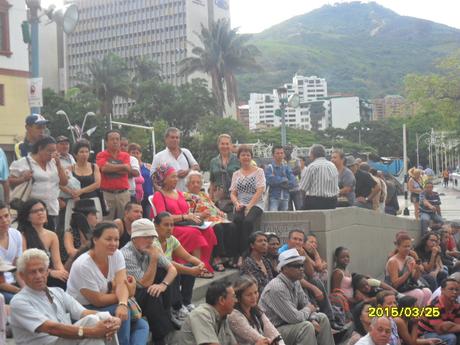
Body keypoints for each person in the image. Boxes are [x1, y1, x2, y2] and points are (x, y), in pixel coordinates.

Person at [10, 248, 121, 345]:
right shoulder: (19, 301)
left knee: (104, 319)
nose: (38, 276)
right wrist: (93, 331)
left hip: (64, 341)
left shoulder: (58, 292)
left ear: (47, 272)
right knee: (92, 322)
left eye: (41, 270)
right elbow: (52, 329)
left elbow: (83, 312)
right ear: (22, 275)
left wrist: (113, 319)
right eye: (32, 272)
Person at [66, 222, 149, 345]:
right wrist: (128, 294)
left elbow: (121, 283)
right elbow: (98, 300)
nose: (114, 244)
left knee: (142, 325)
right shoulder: (83, 265)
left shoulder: (116, 254)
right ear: (95, 240)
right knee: (121, 315)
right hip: (82, 309)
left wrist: (123, 303)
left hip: (105, 305)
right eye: (108, 239)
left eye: (116, 239)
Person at [259, 248, 335, 345]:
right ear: (284, 268)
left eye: (301, 265)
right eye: (296, 266)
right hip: (274, 331)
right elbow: (295, 317)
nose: (301, 269)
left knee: (322, 318)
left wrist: (312, 318)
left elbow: (305, 303)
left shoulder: (295, 281)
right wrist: (308, 310)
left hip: (290, 324)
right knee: (306, 327)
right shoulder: (277, 288)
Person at [152, 164, 217, 275]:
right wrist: (184, 217)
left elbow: (186, 213)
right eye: (172, 177)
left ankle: (203, 264)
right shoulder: (159, 195)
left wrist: (199, 215)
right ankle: (198, 269)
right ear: (164, 179)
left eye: (176, 176)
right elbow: (161, 218)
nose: (176, 179)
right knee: (194, 233)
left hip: (185, 224)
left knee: (209, 230)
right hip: (171, 227)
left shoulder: (178, 193)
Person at [120, 218, 177, 345]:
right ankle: (160, 337)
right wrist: (154, 259)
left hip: (144, 288)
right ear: (135, 237)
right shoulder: (126, 254)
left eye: (152, 237)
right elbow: (143, 284)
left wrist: (163, 285)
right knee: (151, 293)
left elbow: (172, 269)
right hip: (129, 294)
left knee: (165, 276)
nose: (150, 241)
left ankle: (167, 317)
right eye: (146, 237)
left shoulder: (151, 247)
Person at [153, 212, 207, 326]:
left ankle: (185, 303)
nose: (170, 228)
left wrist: (200, 264)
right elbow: (166, 263)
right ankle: (176, 307)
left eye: (172, 225)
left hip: (170, 272)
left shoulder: (171, 239)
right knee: (174, 270)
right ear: (156, 226)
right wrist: (191, 271)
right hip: (156, 276)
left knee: (189, 265)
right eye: (166, 225)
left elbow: (188, 256)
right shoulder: (153, 241)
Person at [9, 136, 69, 230]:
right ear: (40, 149)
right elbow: (9, 181)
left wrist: (58, 164)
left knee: (49, 238)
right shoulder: (24, 162)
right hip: (31, 211)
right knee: (31, 239)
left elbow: (64, 182)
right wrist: (23, 178)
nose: (52, 154)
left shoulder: (53, 163)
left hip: (51, 209)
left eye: (54, 151)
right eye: (49, 151)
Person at [184, 171, 237, 271]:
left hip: (214, 218)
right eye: (193, 182)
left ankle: (228, 257)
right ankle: (216, 259)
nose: (196, 184)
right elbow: (187, 212)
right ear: (187, 184)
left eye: (198, 182)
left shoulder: (203, 194)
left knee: (232, 226)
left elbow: (212, 205)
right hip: (200, 220)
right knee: (218, 228)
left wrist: (219, 211)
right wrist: (201, 215)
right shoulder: (185, 196)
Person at [18, 199, 68, 289]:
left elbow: (57, 262)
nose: (40, 213)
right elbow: (25, 264)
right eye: (35, 211)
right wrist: (51, 272)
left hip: (48, 274)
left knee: (65, 280)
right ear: (27, 217)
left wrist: (62, 272)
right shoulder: (22, 236)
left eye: (42, 209)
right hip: (33, 274)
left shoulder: (52, 235)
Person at [230, 145, 265, 267]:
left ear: (251, 157)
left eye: (248, 155)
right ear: (239, 157)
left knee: (248, 222)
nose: (245, 157)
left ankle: (244, 256)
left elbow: (260, 190)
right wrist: (237, 203)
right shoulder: (236, 174)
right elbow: (233, 193)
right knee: (237, 222)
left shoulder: (259, 171)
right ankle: (236, 254)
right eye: (243, 155)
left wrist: (249, 206)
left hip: (256, 203)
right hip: (241, 203)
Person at [229, 275, 285, 345]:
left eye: (256, 292)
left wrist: (279, 341)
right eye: (249, 295)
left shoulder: (255, 308)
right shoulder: (234, 315)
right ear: (239, 297)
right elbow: (258, 338)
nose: (254, 297)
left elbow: (273, 332)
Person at [178, 280, 238, 345]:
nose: (236, 301)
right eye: (233, 297)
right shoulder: (200, 314)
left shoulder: (222, 316)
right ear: (221, 300)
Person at [385, 232, 431, 306]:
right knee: (418, 293)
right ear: (398, 246)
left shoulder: (410, 259)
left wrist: (418, 270)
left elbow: (414, 280)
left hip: (407, 287)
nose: (407, 249)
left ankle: (423, 315)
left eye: (409, 246)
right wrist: (408, 272)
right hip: (396, 291)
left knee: (427, 291)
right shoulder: (393, 261)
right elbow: (395, 285)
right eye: (405, 246)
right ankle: (414, 316)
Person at [96, 130, 131, 220]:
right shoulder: (101, 155)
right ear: (106, 142)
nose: (115, 141)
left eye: (117, 139)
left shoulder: (125, 155)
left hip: (123, 194)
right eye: (112, 139)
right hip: (107, 194)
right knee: (107, 221)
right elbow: (104, 169)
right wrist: (123, 166)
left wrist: (111, 168)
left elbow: (127, 170)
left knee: (125, 221)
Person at [151, 127, 199, 192]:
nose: (175, 140)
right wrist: (162, 194)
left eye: (177, 137)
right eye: (172, 137)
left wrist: (187, 171)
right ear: (166, 139)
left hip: (187, 195)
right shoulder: (158, 157)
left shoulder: (186, 152)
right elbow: (153, 179)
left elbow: (196, 167)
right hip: (169, 196)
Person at [67, 140, 103, 227]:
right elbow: (62, 184)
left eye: (87, 152)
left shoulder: (94, 166)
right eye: (81, 152)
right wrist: (71, 192)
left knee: (94, 227)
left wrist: (81, 191)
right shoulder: (70, 168)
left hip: (92, 200)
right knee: (73, 227)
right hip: (75, 201)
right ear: (75, 154)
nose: (84, 154)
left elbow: (97, 184)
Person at [418, 278, 460, 345]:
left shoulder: (457, 305)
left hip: (443, 331)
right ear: (442, 290)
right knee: (451, 337)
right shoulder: (432, 306)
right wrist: (451, 326)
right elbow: (439, 330)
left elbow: (457, 325)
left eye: (457, 290)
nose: (454, 292)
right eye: (451, 289)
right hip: (425, 333)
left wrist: (450, 325)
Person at [299, 144, 339, 210]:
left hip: (316, 202)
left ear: (312, 154)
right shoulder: (333, 166)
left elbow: (303, 189)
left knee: (300, 212)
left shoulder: (312, 166)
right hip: (333, 202)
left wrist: (303, 203)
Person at [62, 199, 99, 268]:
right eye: (93, 214)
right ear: (84, 217)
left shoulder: (97, 232)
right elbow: (71, 252)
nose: (96, 217)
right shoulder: (70, 232)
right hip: (75, 265)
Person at [209, 134, 240, 214]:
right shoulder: (213, 162)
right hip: (218, 199)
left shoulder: (238, 159)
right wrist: (210, 199)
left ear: (231, 145)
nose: (225, 146)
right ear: (218, 145)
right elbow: (212, 182)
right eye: (222, 144)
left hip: (235, 197)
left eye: (227, 144)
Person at [0, 202, 23, 303]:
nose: (4, 221)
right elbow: (1, 283)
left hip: (13, 284)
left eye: (6, 216)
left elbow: (18, 268)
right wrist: (21, 291)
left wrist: (26, 289)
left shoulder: (16, 234)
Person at [264, 145, 296, 211]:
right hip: (273, 197)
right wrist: (284, 180)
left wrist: (277, 180)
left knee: (284, 219)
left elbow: (293, 182)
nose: (280, 155)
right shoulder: (269, 168)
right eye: (277, 153)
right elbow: (270, 180)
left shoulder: (286, 167)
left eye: (281, 153)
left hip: (285, 197)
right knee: (273, 217)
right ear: (273, 155)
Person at [128, 143, 153, 217]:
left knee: (149, 218)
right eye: (133, 153)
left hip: (148, 198)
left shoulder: (148, 166)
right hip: (134, 199)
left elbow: (154, 181)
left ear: (141, 154)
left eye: (137, 153)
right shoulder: (128, 167)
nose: (135, 155)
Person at [120, 138, 141, 202]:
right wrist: (126, 169)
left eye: (125, 145)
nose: (123, 147)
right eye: (121, 145)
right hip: (113, 192)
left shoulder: (132, 159)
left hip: (129, 191)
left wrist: (114, 170)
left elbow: (136, 173)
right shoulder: (110, 158)